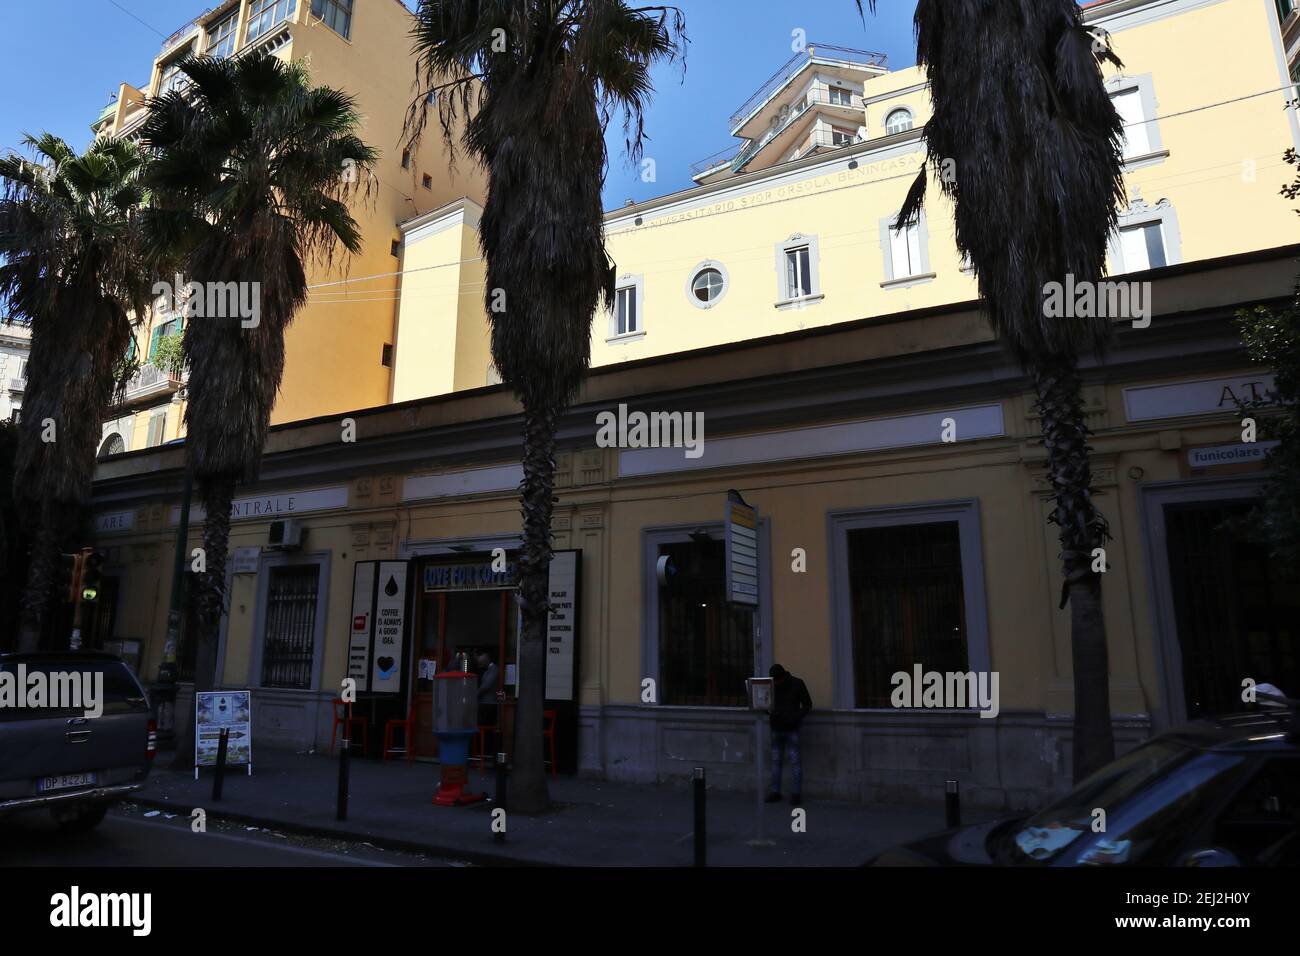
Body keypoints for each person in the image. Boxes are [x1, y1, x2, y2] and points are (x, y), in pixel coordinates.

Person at [766, 664, 812, 806]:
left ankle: (794, 794)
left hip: (789, 728)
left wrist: (794, 717)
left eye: (776, 680)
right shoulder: (789, 683)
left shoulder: (796, 683)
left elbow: (807, 704)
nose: (775, 682)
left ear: (781, 677)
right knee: (778, 762)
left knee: (793, 762)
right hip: (779, 728)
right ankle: (777, 792)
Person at [475, 650, 499, 728]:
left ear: (486, 661)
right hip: (485, 703)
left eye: (481, 663)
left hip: (488, 703)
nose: (480, 665)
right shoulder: (489, 670)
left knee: (485, 726)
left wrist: (476, 693)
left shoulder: (493, 669)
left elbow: (486, 685)